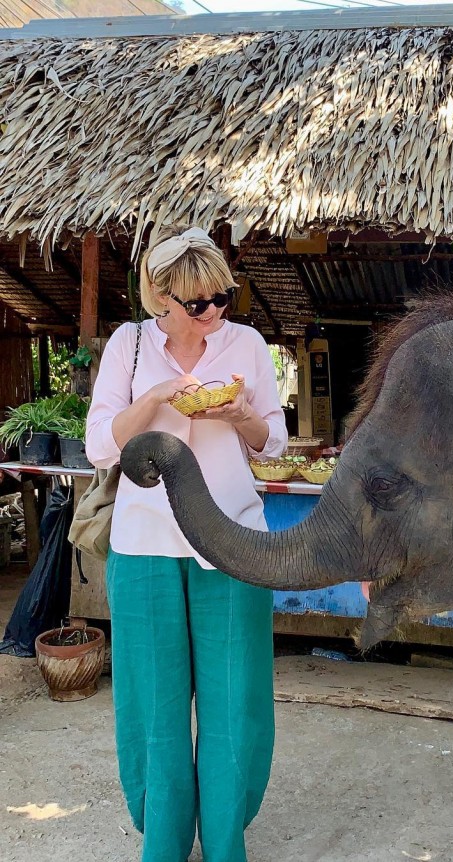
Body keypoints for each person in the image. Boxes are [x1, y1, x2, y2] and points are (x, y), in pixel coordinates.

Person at [85, 225, 288, 862]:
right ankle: (164, 845)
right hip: (145, 543)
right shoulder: (130, 344)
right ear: (162, 301)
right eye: (197, 304)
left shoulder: (247, 344)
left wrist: (237, 415)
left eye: (223, 298)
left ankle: (227, 843)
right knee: (153, 701)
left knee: (236, 697)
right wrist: (155, 397)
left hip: (233, 538)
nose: (212, 314)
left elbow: (273, 443)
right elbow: (100, 445)